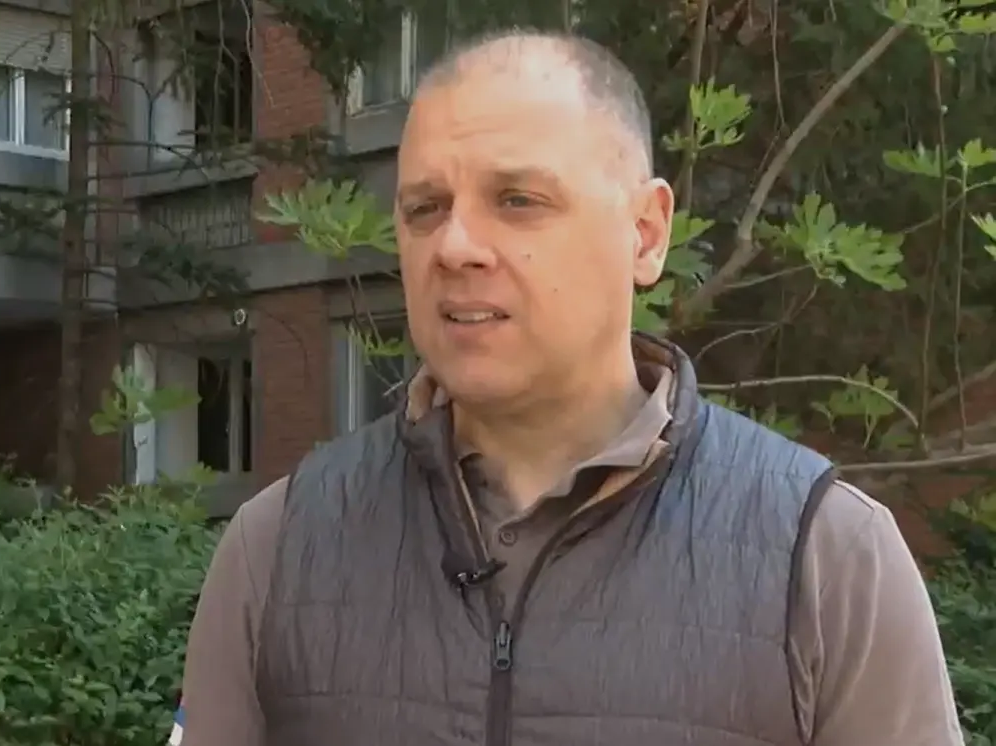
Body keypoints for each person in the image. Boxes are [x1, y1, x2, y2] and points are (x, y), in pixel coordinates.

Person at [175, 29, 963, 746]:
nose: (453, 245)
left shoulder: (824, 555)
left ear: (645, 234)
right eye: (424, 208)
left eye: (517, 200)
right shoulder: (279, 545)